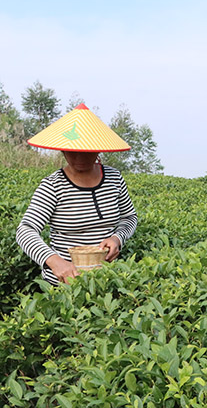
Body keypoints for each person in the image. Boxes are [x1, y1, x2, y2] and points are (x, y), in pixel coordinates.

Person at [16, 103, 138, 285]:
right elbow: (25, 231)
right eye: (73, 152)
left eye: (86, 152)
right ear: (62, 149)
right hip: (63, 283)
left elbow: (129, 218)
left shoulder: (114, 178)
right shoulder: (53, 185)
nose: (79, 159)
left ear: (98, 149)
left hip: (106, 279)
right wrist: (54, 261)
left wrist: (116, 238)